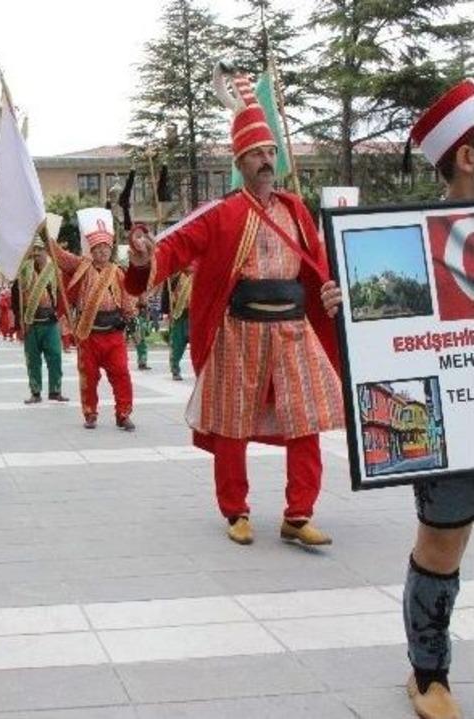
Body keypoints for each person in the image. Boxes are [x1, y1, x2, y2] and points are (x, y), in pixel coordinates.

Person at [126, 63, 342, 547]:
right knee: (231, 424)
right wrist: (145, 256)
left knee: (304, 421)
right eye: (256, 153)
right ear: (240, 162)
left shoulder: (296, 209)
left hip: (293, 329)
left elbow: (319, 267)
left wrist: (330, 291)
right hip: (239, 330)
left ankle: (299, 513)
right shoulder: (222, 213)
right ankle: (235, 511)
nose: (265, 159)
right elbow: (173, 248)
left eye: (270, 151)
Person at [321, 78, 474, 719]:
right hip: (454, 422)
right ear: (466, 155)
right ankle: (428, 673)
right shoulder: (410, 235)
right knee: (442, 544)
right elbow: (393, 339)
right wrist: (344, 310)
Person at [48, 207, 137, 431]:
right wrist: (46, 235)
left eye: (106, 248)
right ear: (91, 249)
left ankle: (123, 413)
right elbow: (59, 256)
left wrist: (131, 317)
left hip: (114, 333)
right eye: (98, 248)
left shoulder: (117, 272)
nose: (102, 252)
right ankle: (90, 413)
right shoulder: (81, 266)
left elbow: (127, 299)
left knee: (121, 373)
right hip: (89, 332)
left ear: (111, 249)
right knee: (88, 377)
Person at [12, 225, 69, 405]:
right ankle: (35, 392)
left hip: (50, 321)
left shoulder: (55, 270)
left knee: (55, 356)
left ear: (46, 251)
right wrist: (19, 323)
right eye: (34, 251)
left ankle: (55, 391)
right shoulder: (22, 272)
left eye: (40, 250)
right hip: (31, 322)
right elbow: (16, 299)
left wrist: (61, 316)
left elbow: (62, 296)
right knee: (32, 360)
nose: (37, 254)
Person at [163, 269, 192, 381]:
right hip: (178, 314)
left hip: (196, 315)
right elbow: (166, 293)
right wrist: (166, 310)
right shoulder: (173, 276)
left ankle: (200, 370)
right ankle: (175, 369)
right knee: (177, 344)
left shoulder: (199, 273)